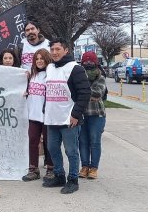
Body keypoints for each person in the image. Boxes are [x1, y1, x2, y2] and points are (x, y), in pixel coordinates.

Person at [42, 38, 91, 194]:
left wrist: (76, 114)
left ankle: (73, 179)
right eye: (52, 50)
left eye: (58, 49)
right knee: (52, 148)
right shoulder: (49, 67)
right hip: (52, 118)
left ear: (66, 50)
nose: (54, 52)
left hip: (69, 119)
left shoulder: (75, 68)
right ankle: (59, 175)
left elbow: (85, 93)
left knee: (71, 151)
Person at [22, 48, 54, 182]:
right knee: (33, 141)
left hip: (47, 115)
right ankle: (33, 168)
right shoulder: (32, 75)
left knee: (49, 142)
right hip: (33, 115)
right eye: (37, 59)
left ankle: (51, 168)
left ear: (47, 59)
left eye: (42, 58)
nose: (39, 61)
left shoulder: (51, 75)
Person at [78, 51, 107, 180]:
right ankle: (84, 166)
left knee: (94, 141)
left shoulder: (101, 76)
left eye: (91, 61)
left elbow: (98, 93)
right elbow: (73, 90)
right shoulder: (77, 74)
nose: (88, 63)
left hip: (97, 114)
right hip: (81, 113)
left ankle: (94, 168)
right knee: (82, 141)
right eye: (85, 61)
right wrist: (87, 92)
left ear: (96, 62)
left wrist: (83, 90)